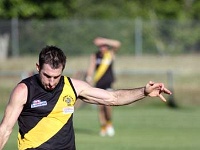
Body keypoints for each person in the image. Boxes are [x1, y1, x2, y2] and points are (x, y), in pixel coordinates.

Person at [0, 45, 172, 150]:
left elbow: (113, 98)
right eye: (47, 75)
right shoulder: (24, 90)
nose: (51, 82)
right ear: (38, 67)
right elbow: (5, 129)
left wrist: (144, 91)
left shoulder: (73, 87)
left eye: (56, 76)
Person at [86, 37, 121, 137]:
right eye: (100, 46)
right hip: (98, 84)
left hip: (108, 84)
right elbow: (91, 68)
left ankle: (109, 123)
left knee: (108, 106)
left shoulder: (110, 54)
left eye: (104, 46)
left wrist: (104, 40)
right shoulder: (95, 55)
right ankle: (103, 126)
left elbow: (118, 44)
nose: (102, 48)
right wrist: (89, 78)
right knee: (100, 107)